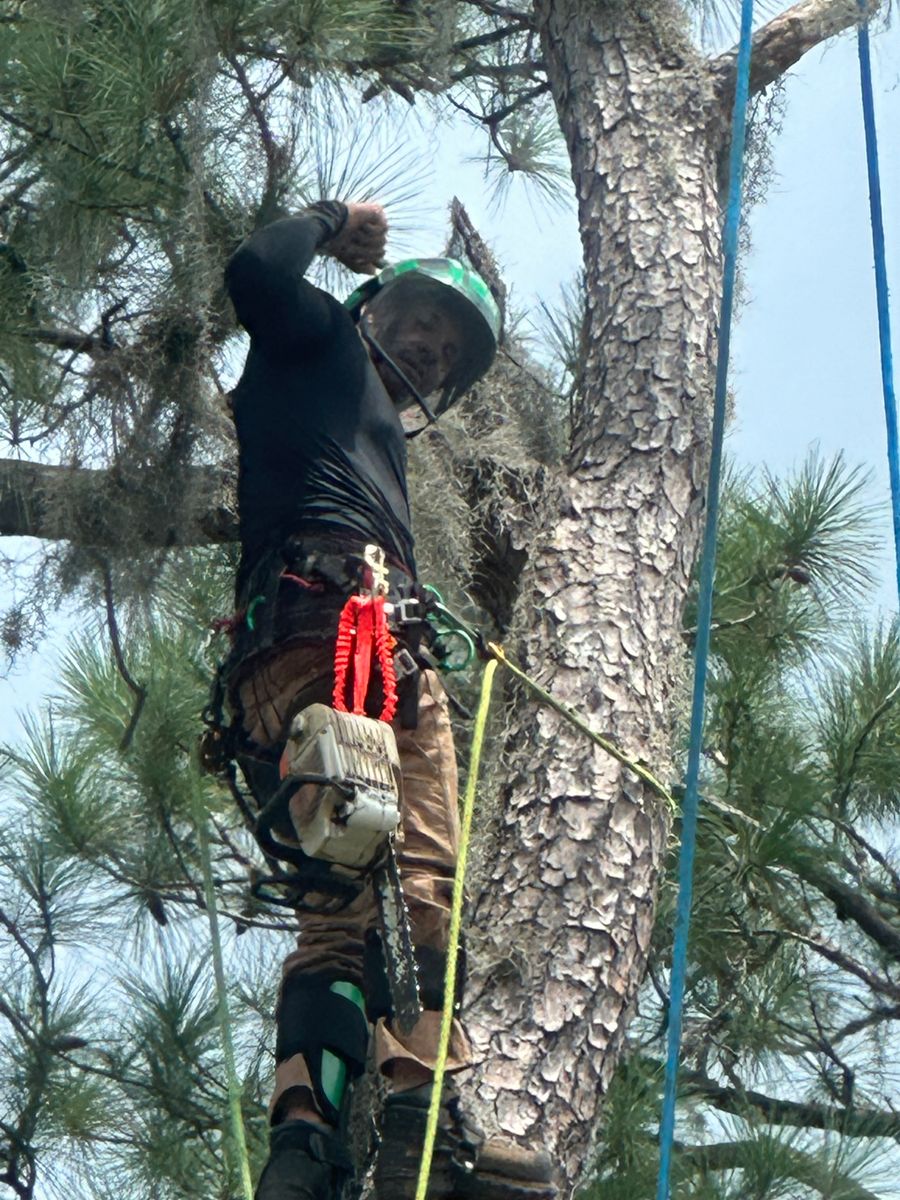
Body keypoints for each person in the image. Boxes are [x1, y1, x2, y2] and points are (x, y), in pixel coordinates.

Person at [220, 199, 554, 1200]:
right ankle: (425, 1116)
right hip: (350, 638)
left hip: (299, 652)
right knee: (421, 879)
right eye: (418, 322)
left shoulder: (354, 416)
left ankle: (304, 1144)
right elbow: (256, 275)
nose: (431, 351)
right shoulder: (321, 341)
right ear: (369, 309)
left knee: (337, 910)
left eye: (447, 349)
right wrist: (330, 222)